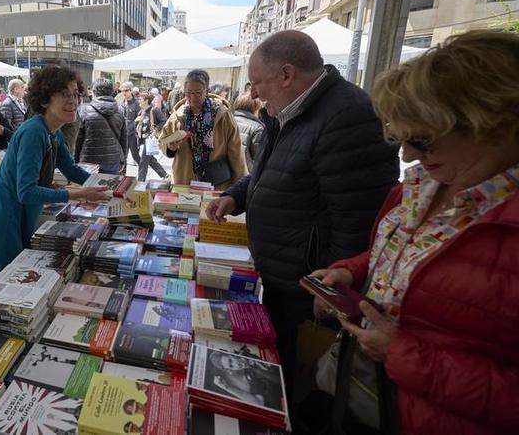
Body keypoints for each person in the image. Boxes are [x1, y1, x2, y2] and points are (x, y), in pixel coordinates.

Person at [309, 30, 519, 435]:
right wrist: (353, 272)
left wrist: (403, 353)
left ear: (493, 125)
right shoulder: (422, 185)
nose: (407, 156)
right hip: (357, 390)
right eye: (402, 139)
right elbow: (411, 256)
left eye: (422, 140)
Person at [206, 30, 398, 400]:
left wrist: (330, 290)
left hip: (309, 287)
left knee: (301, 382)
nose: (255, 93)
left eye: (257, 83)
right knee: (278, 367)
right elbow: (269, 174)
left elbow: (357, 219)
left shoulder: (347, 115)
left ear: (287, 74)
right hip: (283, 274)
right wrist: (235, 196)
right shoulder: (290, 110)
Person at [0, 65, 110, 280]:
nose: (73, 100)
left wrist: (111, 186)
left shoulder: (52, 132)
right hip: (0, 225)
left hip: (13, 219)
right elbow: (27, 192)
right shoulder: (34, 132)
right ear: (44, 100)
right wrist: (81, 194)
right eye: (63, 94)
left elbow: (70, 169)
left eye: (75, 94)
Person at [160, 69, 247, 190]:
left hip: (216, 183)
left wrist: (240, 187)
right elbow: (163, 141)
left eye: (197, 93)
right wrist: (170, 148)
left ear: (206, 91)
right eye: (188, 93)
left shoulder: (222, 115)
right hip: (185, 183)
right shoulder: (177, 116)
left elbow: (236, 152)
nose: (192, 97)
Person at [75, 78, 127, 174]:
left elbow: (78, 139)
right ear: (112, 92)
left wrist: (75, 159)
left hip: (89, 160)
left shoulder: (85, 110)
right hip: (112, 159)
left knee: (89, 188)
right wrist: (123, 160)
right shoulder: (120, 111)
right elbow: (123, 139)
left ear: (94, 92)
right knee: (108, 187)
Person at [135, 93, 168, 182]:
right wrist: (137, 121)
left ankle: (140, 181)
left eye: (140, 99)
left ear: (146, 101)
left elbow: (164, 121)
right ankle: (165, 175)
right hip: (142, 139)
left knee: (143, 160)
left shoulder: (154, 110)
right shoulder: (141, 111)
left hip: (149, 138)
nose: (139, 101)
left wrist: (156, 130)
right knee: (150, 160)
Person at [232, 92, 264, 173]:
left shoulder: (227, 121)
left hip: (223, 175)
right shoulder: (257, 128)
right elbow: (259, 158)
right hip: (244, 175)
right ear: (256, 108)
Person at [119, 82, 141, 166]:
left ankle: (141, 174)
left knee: (135, 155)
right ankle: (123, 175)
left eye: (126, 90)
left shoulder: (136, 103)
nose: (124, 92)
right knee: (123, 156)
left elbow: (139, 118)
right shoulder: (121, 102)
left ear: (131, 90)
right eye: (122, 90)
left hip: (132, 134)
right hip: (122, 133)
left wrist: (133, 127)